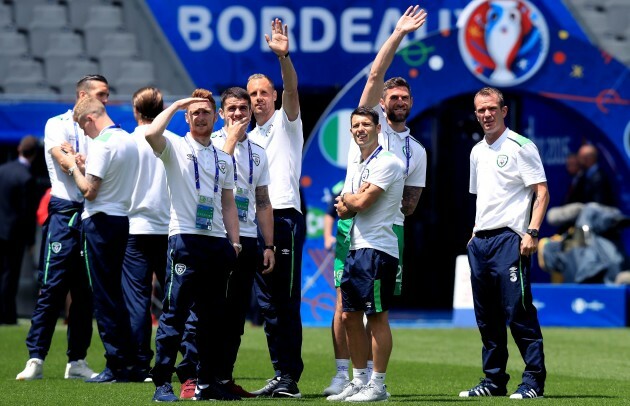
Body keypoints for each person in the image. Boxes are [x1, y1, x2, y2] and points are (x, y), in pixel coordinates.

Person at [324, 5, 428, 396]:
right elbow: (373, 74)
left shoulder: (413, 151)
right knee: (344, 306)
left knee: (376, 310)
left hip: (385, 230)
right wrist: (398, 34)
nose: (398, 101)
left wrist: (366, 201)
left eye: (404, 96)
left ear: (411, 102)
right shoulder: (368, 129)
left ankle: (374, 381)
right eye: (392, 96)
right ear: (381, 105)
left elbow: (411, 202)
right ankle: (347, 376)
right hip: (353, 224)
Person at [145, 89, 241, 402]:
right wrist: (176, 104)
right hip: (185, 239)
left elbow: (227, 202)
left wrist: (235, 240)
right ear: (188, 117)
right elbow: (151, 133)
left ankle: (206, 382)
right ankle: (162, 382)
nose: (201, 117)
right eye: (195, 113)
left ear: (216, 118)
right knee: (175, 315)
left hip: (216, 243)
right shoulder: (174, 145)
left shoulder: (223, 157)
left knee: (213, 319)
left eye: (206, 112)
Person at [16, 74, 109, 381]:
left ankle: (77, 361)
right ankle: (36, 358)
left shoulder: (103, 129)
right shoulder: (58, 123)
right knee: (52, 287)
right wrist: (77, 162)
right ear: (82, 95)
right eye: (100, 94)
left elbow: (104, 166)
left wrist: (80, 161)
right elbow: (60, 155)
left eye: (107, 95)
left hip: (92, 212)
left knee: (85, 293)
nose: (105, 100)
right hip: (64, 211)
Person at [459, 87, 548, 399]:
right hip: (481, 241)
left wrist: (532, 232)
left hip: (510, 239)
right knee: (487, 317)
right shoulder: (477, 151)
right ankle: (494, 381)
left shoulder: (521, 146)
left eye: (492, 109)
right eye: (481, 110)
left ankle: (533, 382)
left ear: (504, 110)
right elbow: (483, 197)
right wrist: (473, 233)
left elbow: (542, 191)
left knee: (518, 312)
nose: (486, 115)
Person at [59, 96, 139, 383]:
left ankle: (116, 364)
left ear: (90, 119)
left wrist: (71, 166)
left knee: (103, 297)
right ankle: (130, 361)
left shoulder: (103, 143)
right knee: (115, 294)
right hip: (121, 218)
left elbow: (90, 191)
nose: (83, 133)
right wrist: (84, 161)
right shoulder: (126, 139)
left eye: (83, 126)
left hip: (100, 221)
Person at [247, 18, 306, 399]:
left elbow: (292, 87)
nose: (257, 99)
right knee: (267, 305)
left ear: (274, 95)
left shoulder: (287, 125)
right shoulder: (247, 138)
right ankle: (280, 372)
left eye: (263, 92)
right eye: (252, 94)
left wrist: (283, 56)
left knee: (284, 301)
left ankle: (290, 377)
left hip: (284, 218)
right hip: (256, 225)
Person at [330, 106, 404, 402]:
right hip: (356, 248)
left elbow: (357, 202)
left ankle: (378, 385)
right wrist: (351, 200)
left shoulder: (388, 162)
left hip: (378, 250)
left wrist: (351, 199)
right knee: (349, 316)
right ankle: (359, 380)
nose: (360, 129)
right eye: (355, 126)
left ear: (378, 128)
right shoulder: (358, 164)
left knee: (376, 318)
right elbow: (342, 205)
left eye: (365, 124)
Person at [211, 86, 275, 397]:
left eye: (243, 108)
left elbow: (263, 202)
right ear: (221, 113)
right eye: (232, 108)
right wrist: (230, 142)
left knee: (236, 317)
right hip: (213, 236)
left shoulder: (259, 152)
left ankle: (223, 379)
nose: (238, 114)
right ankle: (196, 378)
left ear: (251, 112)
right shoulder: (208, 145)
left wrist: (269, 245)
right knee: (207, 312)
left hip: (248, 239)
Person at [121, 87, 171, 382]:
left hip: (135, 227)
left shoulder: (125, 143)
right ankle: (174, 360)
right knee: (174, 299)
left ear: (135, 110)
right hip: (167, 228)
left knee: (137, 299)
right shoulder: (171, 141)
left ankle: (140, 362)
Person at [0, 135, 39, 326]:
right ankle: (6, 314)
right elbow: (27, 213)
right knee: (10, 274)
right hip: (13, 234)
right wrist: (31, 240)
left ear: (19, 149)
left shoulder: (3, 170)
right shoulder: (26, 177)